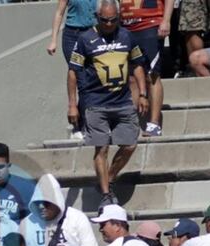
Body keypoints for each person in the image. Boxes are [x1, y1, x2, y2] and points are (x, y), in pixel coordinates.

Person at [68, 0, 149, 206]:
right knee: (101, 148)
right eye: (105, 20)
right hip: (94, 101)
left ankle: (109, 177)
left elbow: (138, 65)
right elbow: (72, 72)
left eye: (114, 20)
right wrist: (72, 104)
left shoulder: (126, 36)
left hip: (122, 100)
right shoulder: (85, 39)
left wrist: (142, 93)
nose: (109, 24)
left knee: (130, 144)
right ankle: (105, 194)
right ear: (97, 18)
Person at [48, 0, 100, 138]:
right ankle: (79, 125)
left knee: (92, 80)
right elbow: (59, 12)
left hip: (93, 34)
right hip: (73, 34)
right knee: (80, 78)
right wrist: (53, 40)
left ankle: (87, 122)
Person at [119, 0, 171, 137]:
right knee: (131, 78)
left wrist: (166, 20)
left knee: (151, 75)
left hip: (150, 23)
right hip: (127, 26)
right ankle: (132, 122)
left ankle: (154, 123)